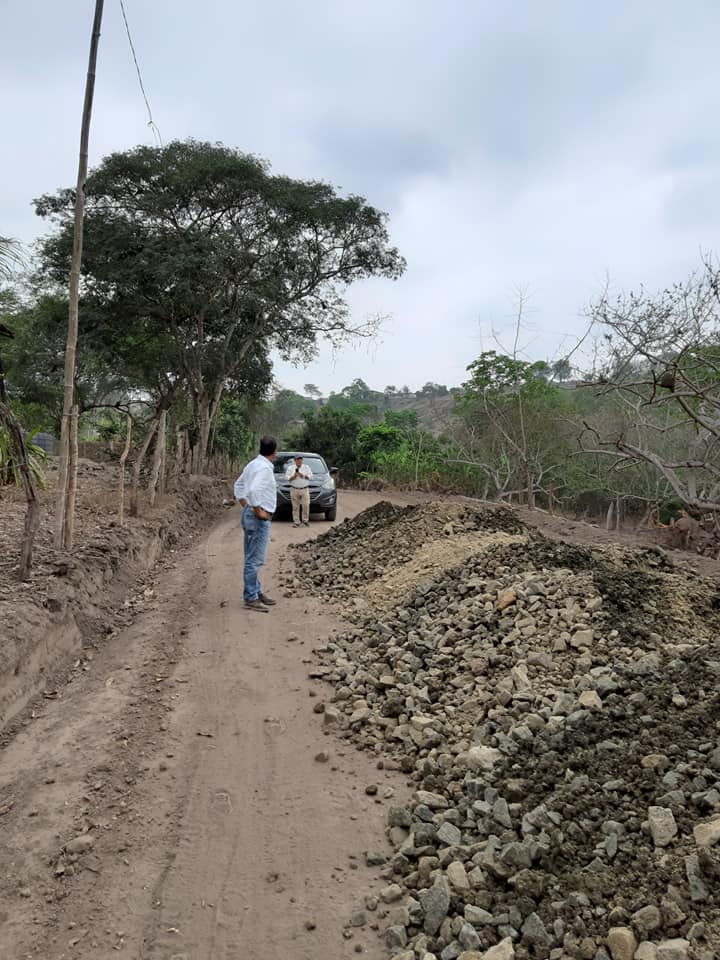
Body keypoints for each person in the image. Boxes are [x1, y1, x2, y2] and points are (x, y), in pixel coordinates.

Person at [233, 436, 278, 612]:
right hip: (258, 518)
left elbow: (238, 486)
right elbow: (252, 490)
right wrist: (257, 510)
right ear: (274, 452)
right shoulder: (264, 469)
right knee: (255, 560)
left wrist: (246, 505)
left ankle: (256, 591)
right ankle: (251, 597)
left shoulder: (252, 465)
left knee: (251, 557)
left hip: (250, 515)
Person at [285, 454, 313, 527]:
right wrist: (293, 476)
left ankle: (305, 520)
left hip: (304, 489)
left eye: (300, 459)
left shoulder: (306, 467)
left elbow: (311, 476)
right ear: (295, 460)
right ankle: (296, 522)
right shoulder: (290, 468)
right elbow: (287, 478)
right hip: (294, 489)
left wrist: (303, 475)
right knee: (295, 506)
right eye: (297, 459)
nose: (299, 461)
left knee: (306, 505)